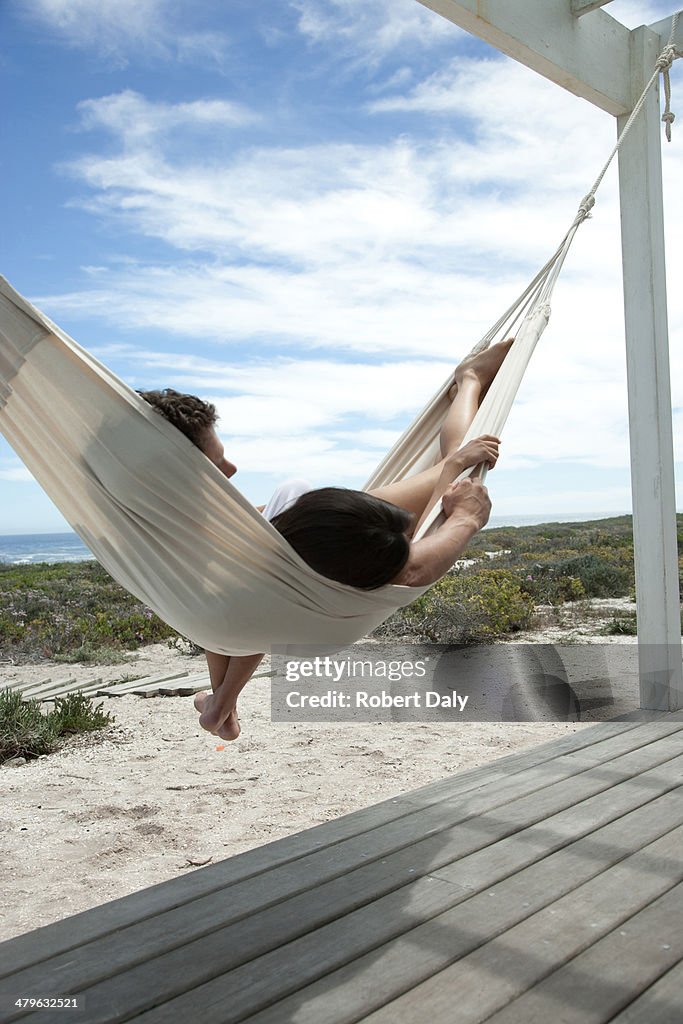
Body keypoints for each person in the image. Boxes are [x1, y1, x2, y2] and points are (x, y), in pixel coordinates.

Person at [138, 338, 511, 741]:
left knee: (257, 547)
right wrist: (467, 519)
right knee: (447, 468)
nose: (232, 468)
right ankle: (470, 379)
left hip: (224, 617)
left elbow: (238, 607)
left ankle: (220, 705)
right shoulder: (319, 535)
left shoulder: (158, 510)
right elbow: (415, 566)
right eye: (216, 463)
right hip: (287, 609)